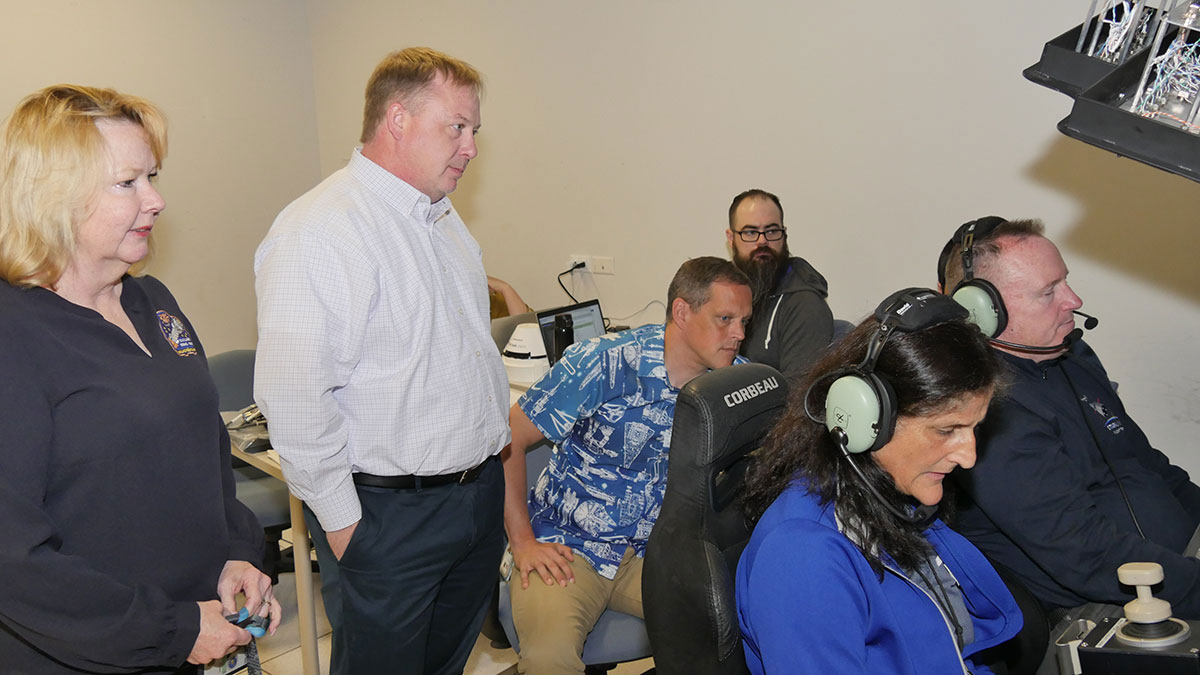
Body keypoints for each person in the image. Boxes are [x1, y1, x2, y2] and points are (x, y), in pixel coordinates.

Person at [0, 85, 279, 674]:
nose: (156, 200)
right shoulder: (14, 333)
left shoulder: (152, 300)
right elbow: (12, 557)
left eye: (153, 176)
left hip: (205, 630)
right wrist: (172, 630)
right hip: (91, 655)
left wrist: (237, 553)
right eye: (128, 183)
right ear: (54, 195)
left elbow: (205, 456)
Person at [254, 47, 508, 674]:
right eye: (458, 127)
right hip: (390, 518)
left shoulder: (443, 221)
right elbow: (294, 403)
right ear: (398, 119)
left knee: (446, 664)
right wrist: (348, 533)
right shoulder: (319, 231)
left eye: (474, 129)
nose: (471, 146)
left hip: (473, 501)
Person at [737, 288, 1022, 675]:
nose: (968, 456)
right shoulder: (802, 559)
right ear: (863, 418)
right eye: (946, 430)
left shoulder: (887, 497)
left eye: (975, 427)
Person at [940, 217, 1200, 619]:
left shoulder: (1072, 356)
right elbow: (1083, 553)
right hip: (1109, 605)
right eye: (1049, 292)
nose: (1074, 300)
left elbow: (1152, 468)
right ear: (981, 311)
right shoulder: (987, 406)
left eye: (1065, 281)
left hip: (1177, 573)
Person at [503, 256, 752, 674]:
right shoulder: (604, 362)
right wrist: (524, 542)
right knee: (550, 661)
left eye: (745, 320)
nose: (739, 334)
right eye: (725, 318)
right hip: (570, 547)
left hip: (656, 556)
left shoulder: (732, 385)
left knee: (740, 630)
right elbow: (507, 437)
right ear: (681, 312)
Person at [726, 189, 833, 381]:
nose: (762, 241)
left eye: (772, 231)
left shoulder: (805, 306)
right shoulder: (722, 294)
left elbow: (797, 397)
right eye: (750, 232)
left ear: (784, 235)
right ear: (731, 238)